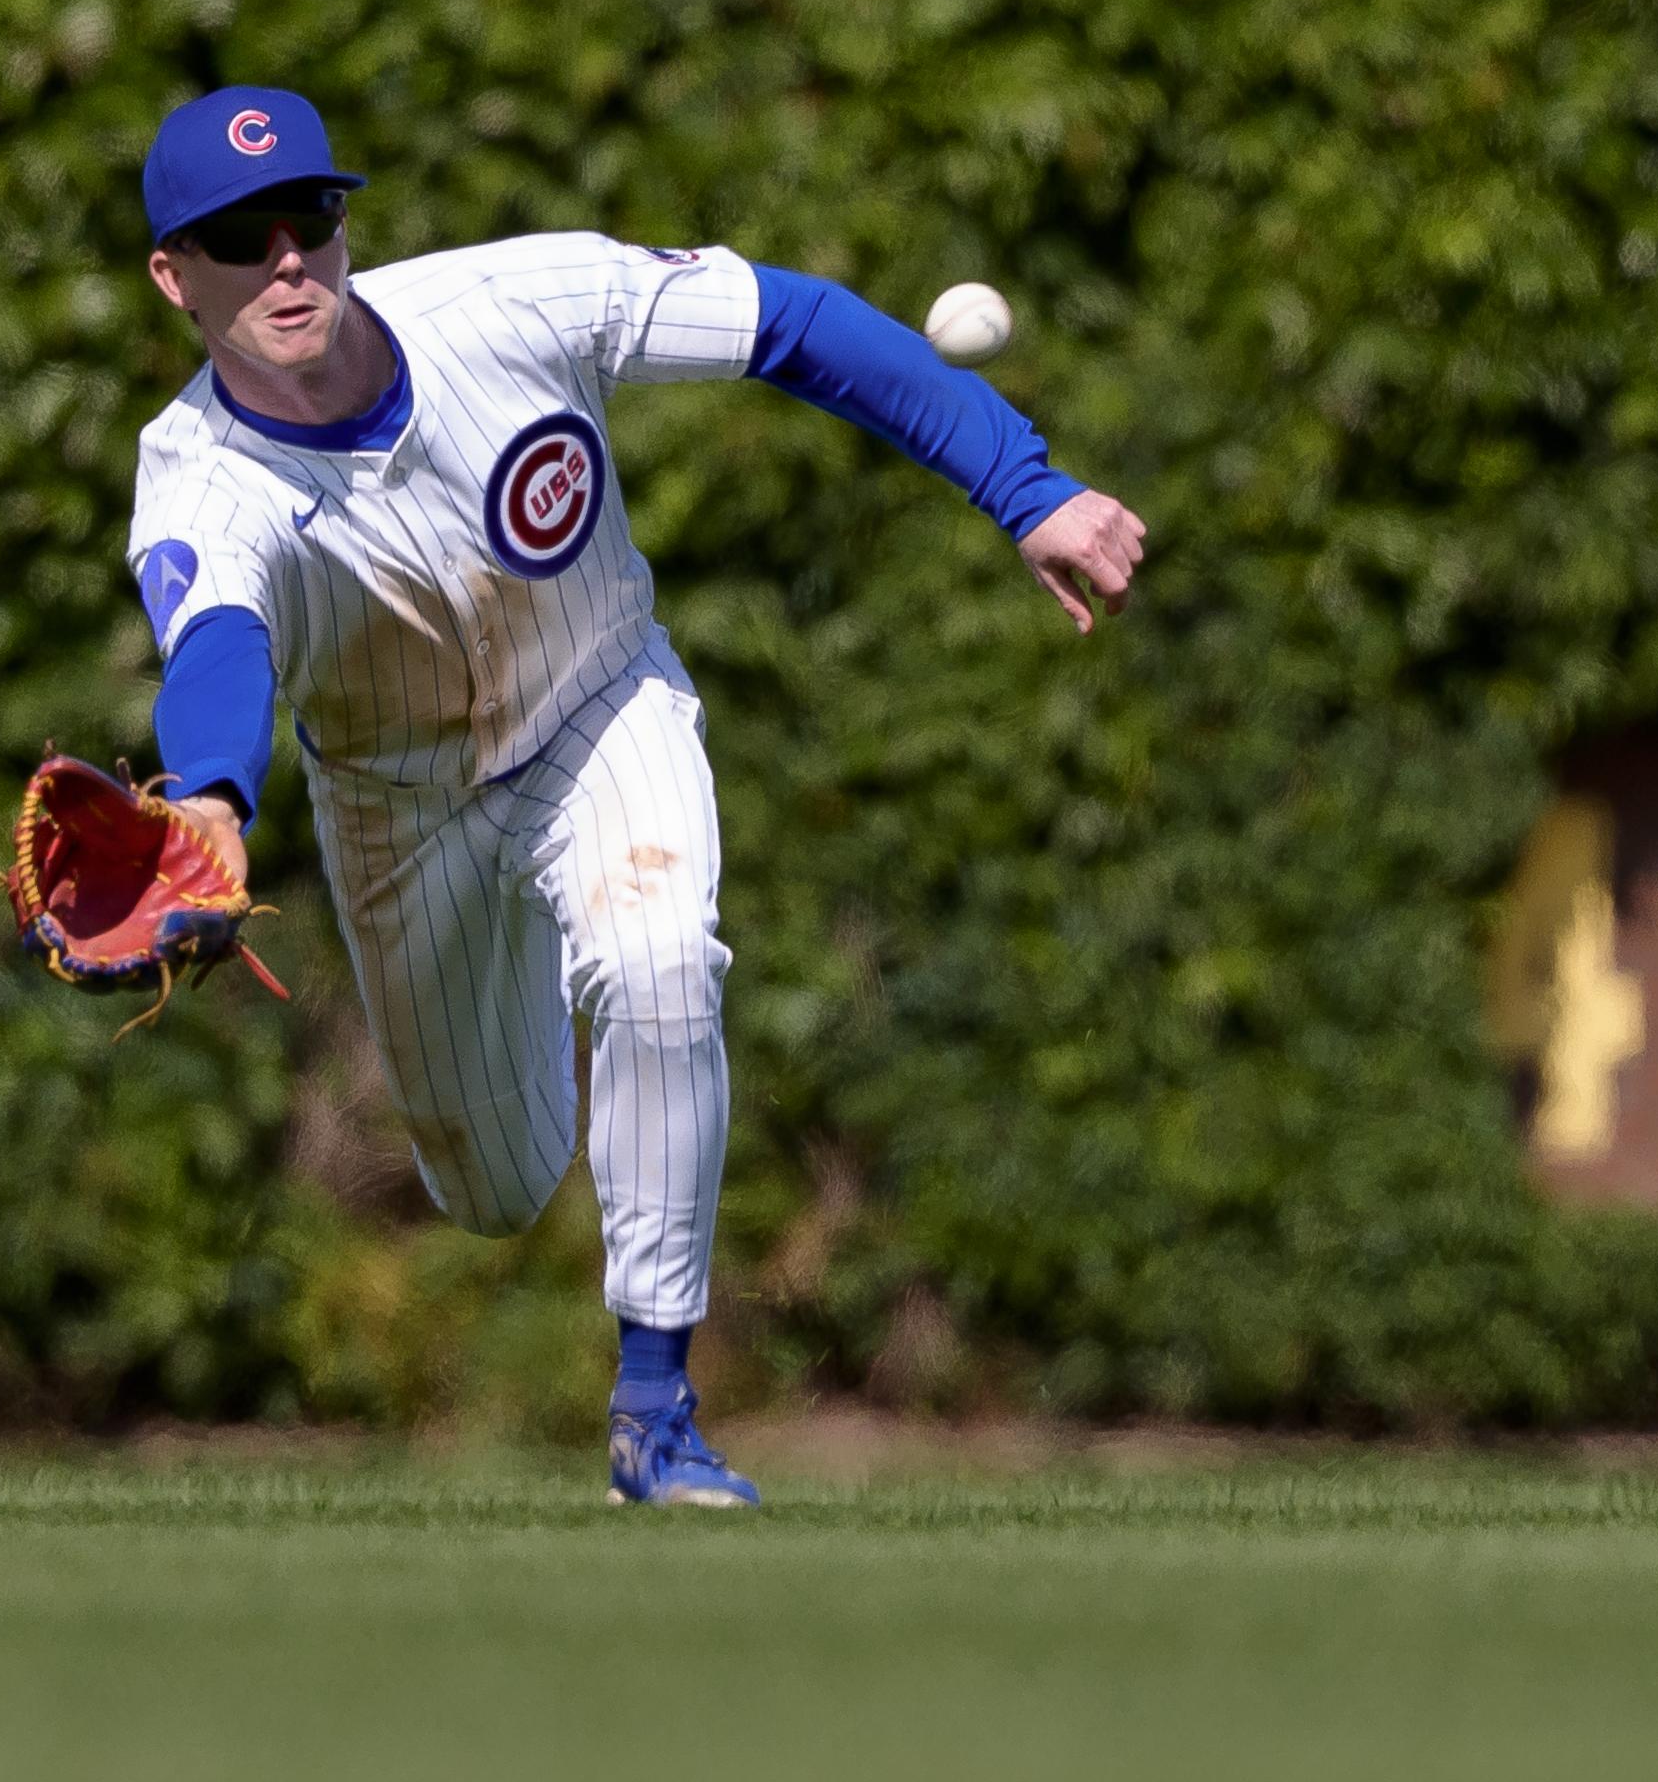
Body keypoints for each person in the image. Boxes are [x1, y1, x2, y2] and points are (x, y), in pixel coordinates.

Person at [124, 87, 1147, 1505]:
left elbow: (787, 320)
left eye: (310, 218)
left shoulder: (518, 302)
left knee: (665, 965)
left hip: (599, 709)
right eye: (239, 236)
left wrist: (1021, 486)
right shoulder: (197, 479)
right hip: (395, 804)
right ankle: (545, 973)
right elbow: (219, 640)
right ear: (175, 277)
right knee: (491, 1193)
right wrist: (216, 798)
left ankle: (655, 1412)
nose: (287, 258)